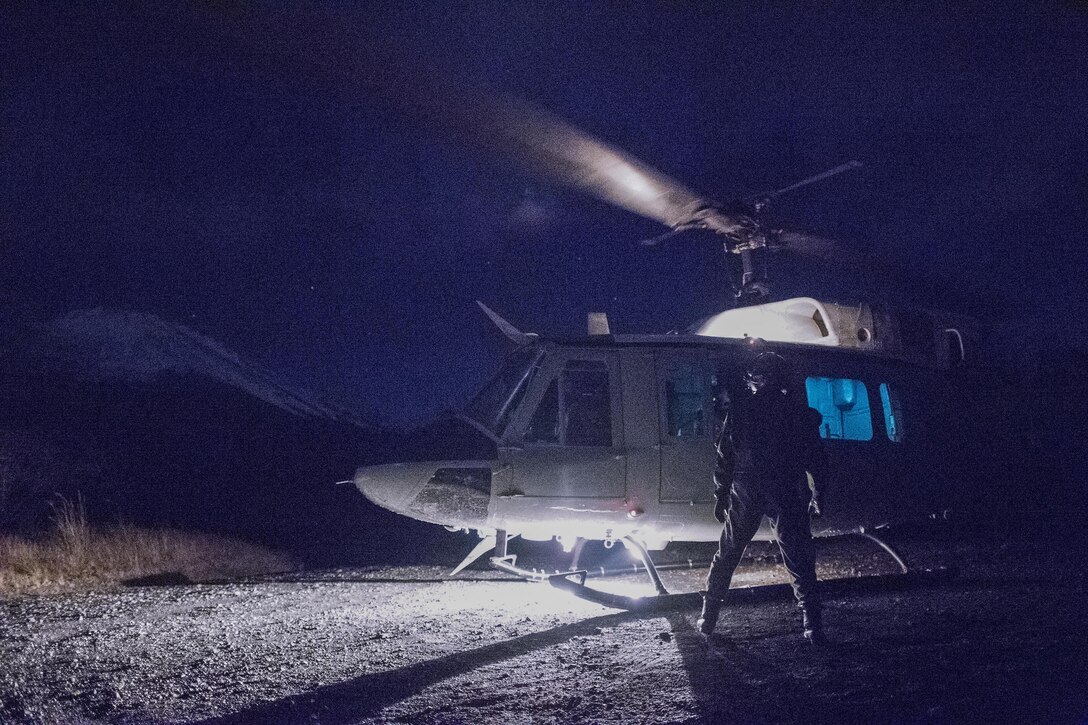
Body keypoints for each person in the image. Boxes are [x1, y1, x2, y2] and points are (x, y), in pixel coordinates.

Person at [699, 350, 829, 644]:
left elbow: (725, 457)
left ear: (757, 379)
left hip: (747, 487)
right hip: (787, 488)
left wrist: (720, 494)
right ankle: (812, 624)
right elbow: (816, 456)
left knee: (728, 552)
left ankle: (708, 617)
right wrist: (819, 492)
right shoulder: (797, 411)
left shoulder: (742, 411)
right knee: (798, 555)